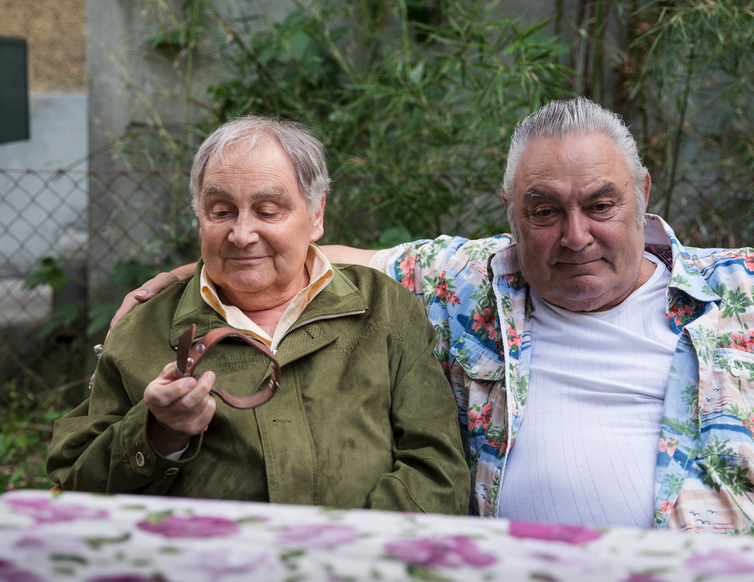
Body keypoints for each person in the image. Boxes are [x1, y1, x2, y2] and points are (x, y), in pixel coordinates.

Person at [113, 99, 754, 558]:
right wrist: (201, 270)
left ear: (641, 194)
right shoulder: (465, 281)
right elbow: (314, 254)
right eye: (543, 211)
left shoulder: (749, 292)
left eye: (599, 205)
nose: (574, 234)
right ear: (511, 211)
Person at [47, 116, 469, 514]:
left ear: (316, 214)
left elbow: (437, 468)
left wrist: (349, 554)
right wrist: (159, 431)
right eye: (221, 211)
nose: (242, 234)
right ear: (199, 215)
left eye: (268, 211)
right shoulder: (143, 327)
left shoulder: (384, 308)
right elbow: (75, 483)